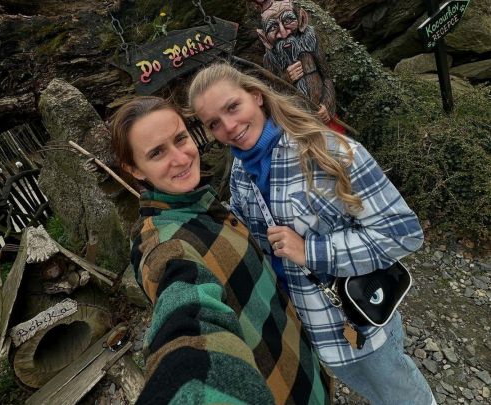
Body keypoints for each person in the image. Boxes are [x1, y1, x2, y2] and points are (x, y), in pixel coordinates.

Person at [189, 62, 436, 404]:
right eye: (214, 123)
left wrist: (311, 251)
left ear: (257, 96)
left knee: (402, 395)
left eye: (233, 107)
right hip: (304, 330)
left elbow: (403, 233)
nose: (228, 127)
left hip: (362, 321)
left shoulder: (327, 152)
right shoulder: (241, 173)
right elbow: (248, 234)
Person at [110, 96, 330, 405]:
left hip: (307, 377)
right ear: (134, 169)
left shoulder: (203, 207)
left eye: (180, 139)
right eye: (157, 153)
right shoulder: (163, 245)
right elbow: (185, 310)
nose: (180, 158)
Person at [250, 0, 343, 133]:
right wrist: (286, 78)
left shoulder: (310, 40)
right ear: (264, 38)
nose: (284, 33)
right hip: (300, 123)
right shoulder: (270, 58)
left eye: (288, 21)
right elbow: (274, 94)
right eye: (273, 27)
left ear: (301, 20)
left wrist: (327, 105)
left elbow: (326, 77)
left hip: (324, 116)